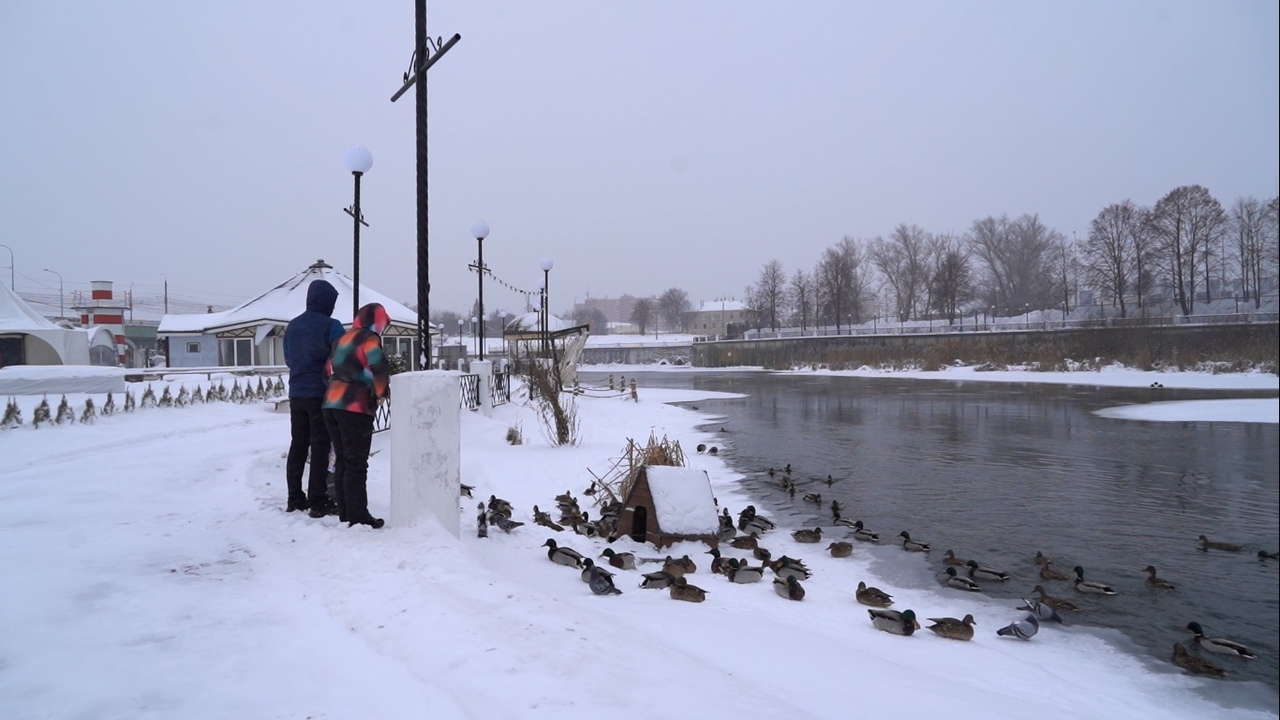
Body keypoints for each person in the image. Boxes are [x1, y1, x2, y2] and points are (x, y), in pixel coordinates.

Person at [323, 302, 391, 528]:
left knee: (342, 459)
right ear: (376, 321)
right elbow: (378, 366)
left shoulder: (341, 339)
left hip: (331, 404)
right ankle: (358, 516)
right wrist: (381, 392)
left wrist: (335, 388)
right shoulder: (369, 339)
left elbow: (327, 370)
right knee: (356, 464)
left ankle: (345, 513)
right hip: (355, 406)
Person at [283, 279, 345, 516]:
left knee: (298, 443)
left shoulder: (292, 326)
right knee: (320, 446)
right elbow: (341, 356)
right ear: (327, 301)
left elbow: (288, 359)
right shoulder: (332, 326)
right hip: (321, 394)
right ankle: (317, 500)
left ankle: (294, 498)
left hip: (297, 393)